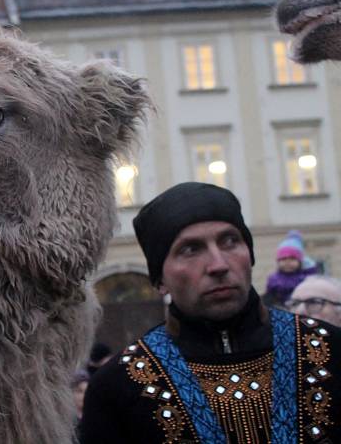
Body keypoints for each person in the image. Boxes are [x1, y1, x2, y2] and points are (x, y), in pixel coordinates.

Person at [80, 182, 341, 443]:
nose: (218, 265)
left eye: (230, 241)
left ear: (249, 255)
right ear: (160, 280)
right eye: (190, 249)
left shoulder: (330, 348)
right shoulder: (118, 386)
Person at [265, 229, 319, 306]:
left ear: (300, 261)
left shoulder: (307, 278)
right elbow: (269, 298)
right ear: (278, 262)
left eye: (292, 259)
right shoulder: (273, 279)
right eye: (283, 259)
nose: (288, 262)